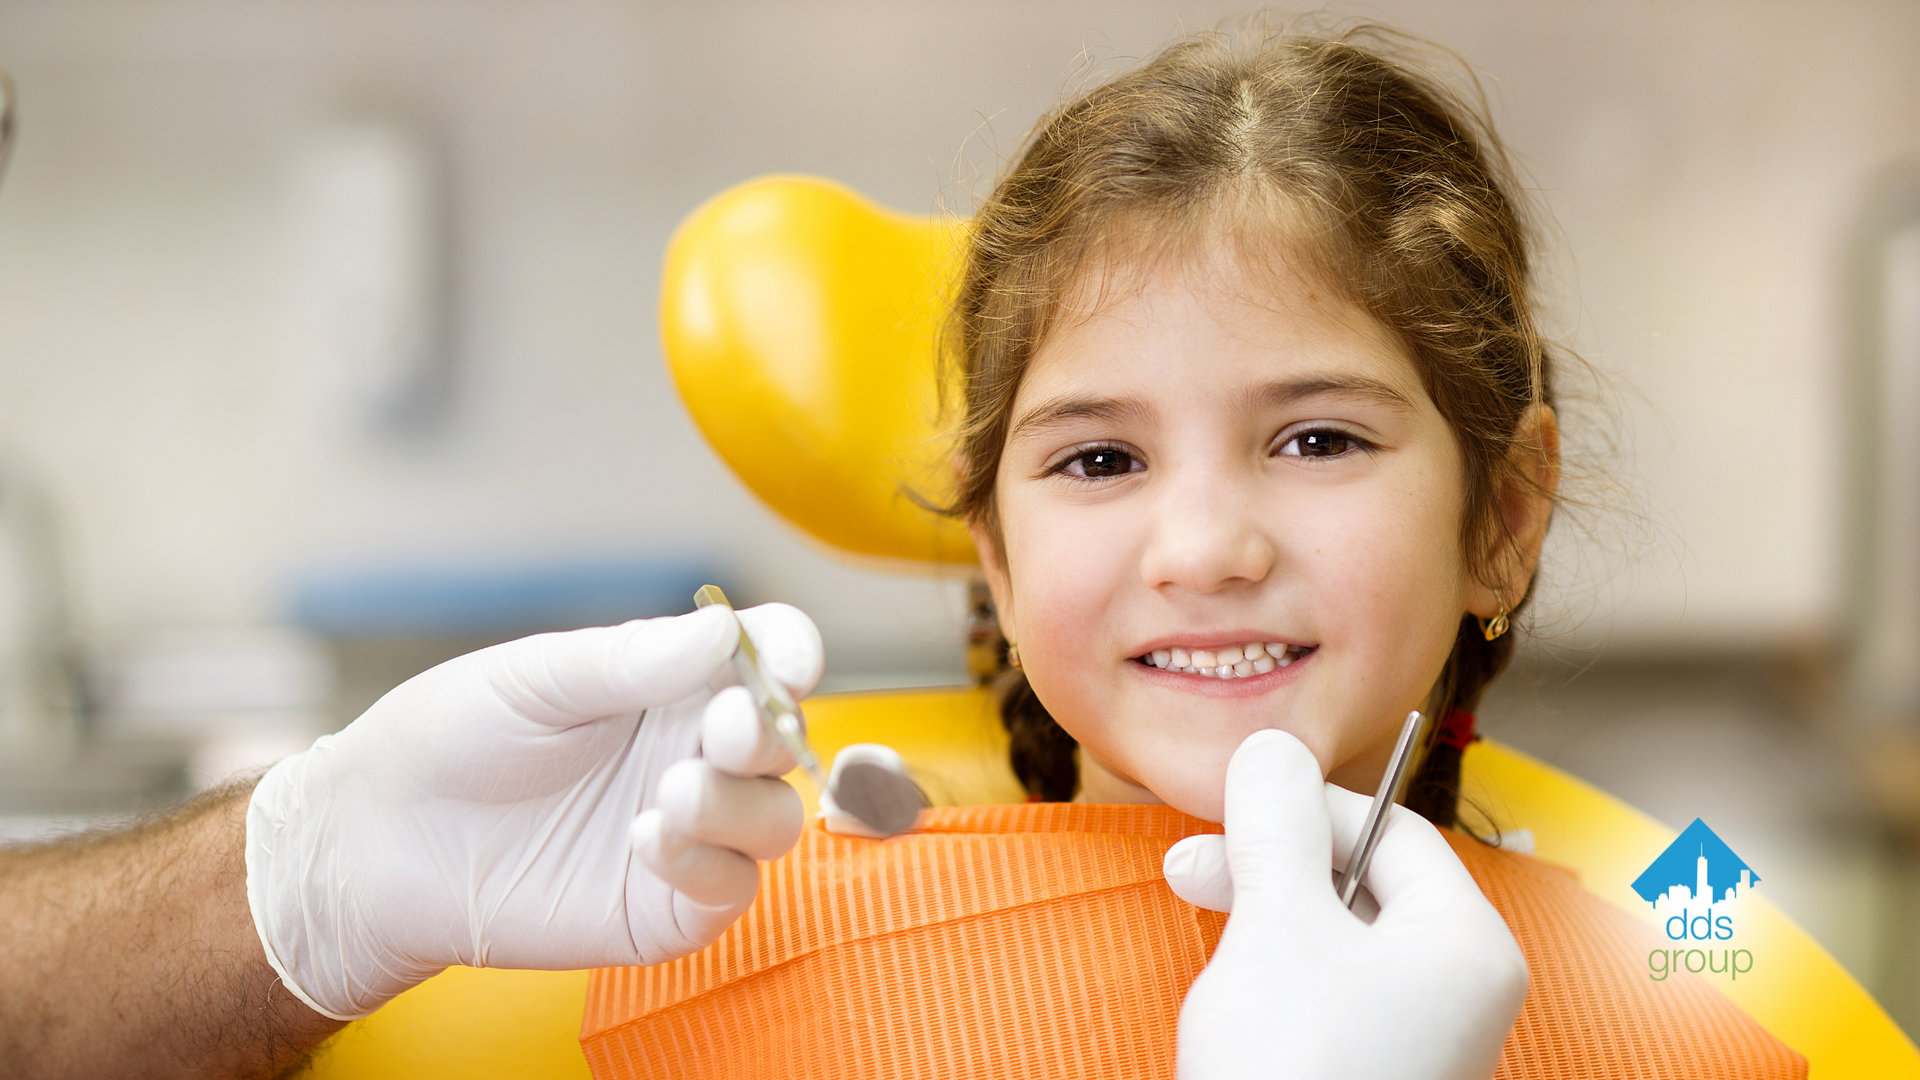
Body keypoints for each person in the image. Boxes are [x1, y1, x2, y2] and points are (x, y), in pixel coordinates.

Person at [580, 22, 1805, 1080]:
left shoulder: (1687, 1014)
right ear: (995, 556)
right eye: (1101, 461)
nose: (1207, 550)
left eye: (1318, 439)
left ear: (1503, 519)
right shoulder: (734, 946)